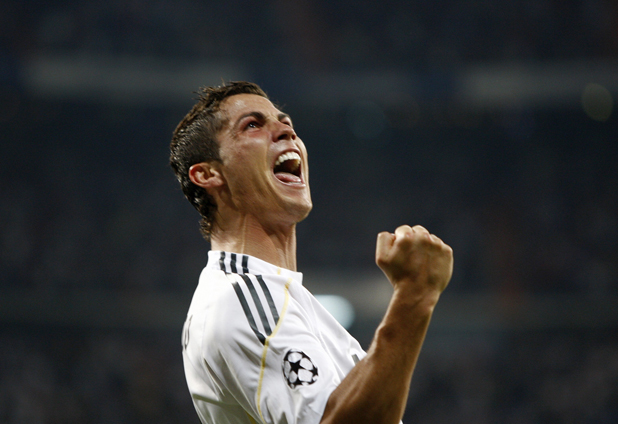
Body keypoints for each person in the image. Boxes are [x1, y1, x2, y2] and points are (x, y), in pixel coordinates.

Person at [170, 81, 453, 424]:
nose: (286, 130)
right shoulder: (240, 298)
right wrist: (414, 296)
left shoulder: (281, 298)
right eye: (253, 125)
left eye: (285, 122)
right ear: (207, 174)